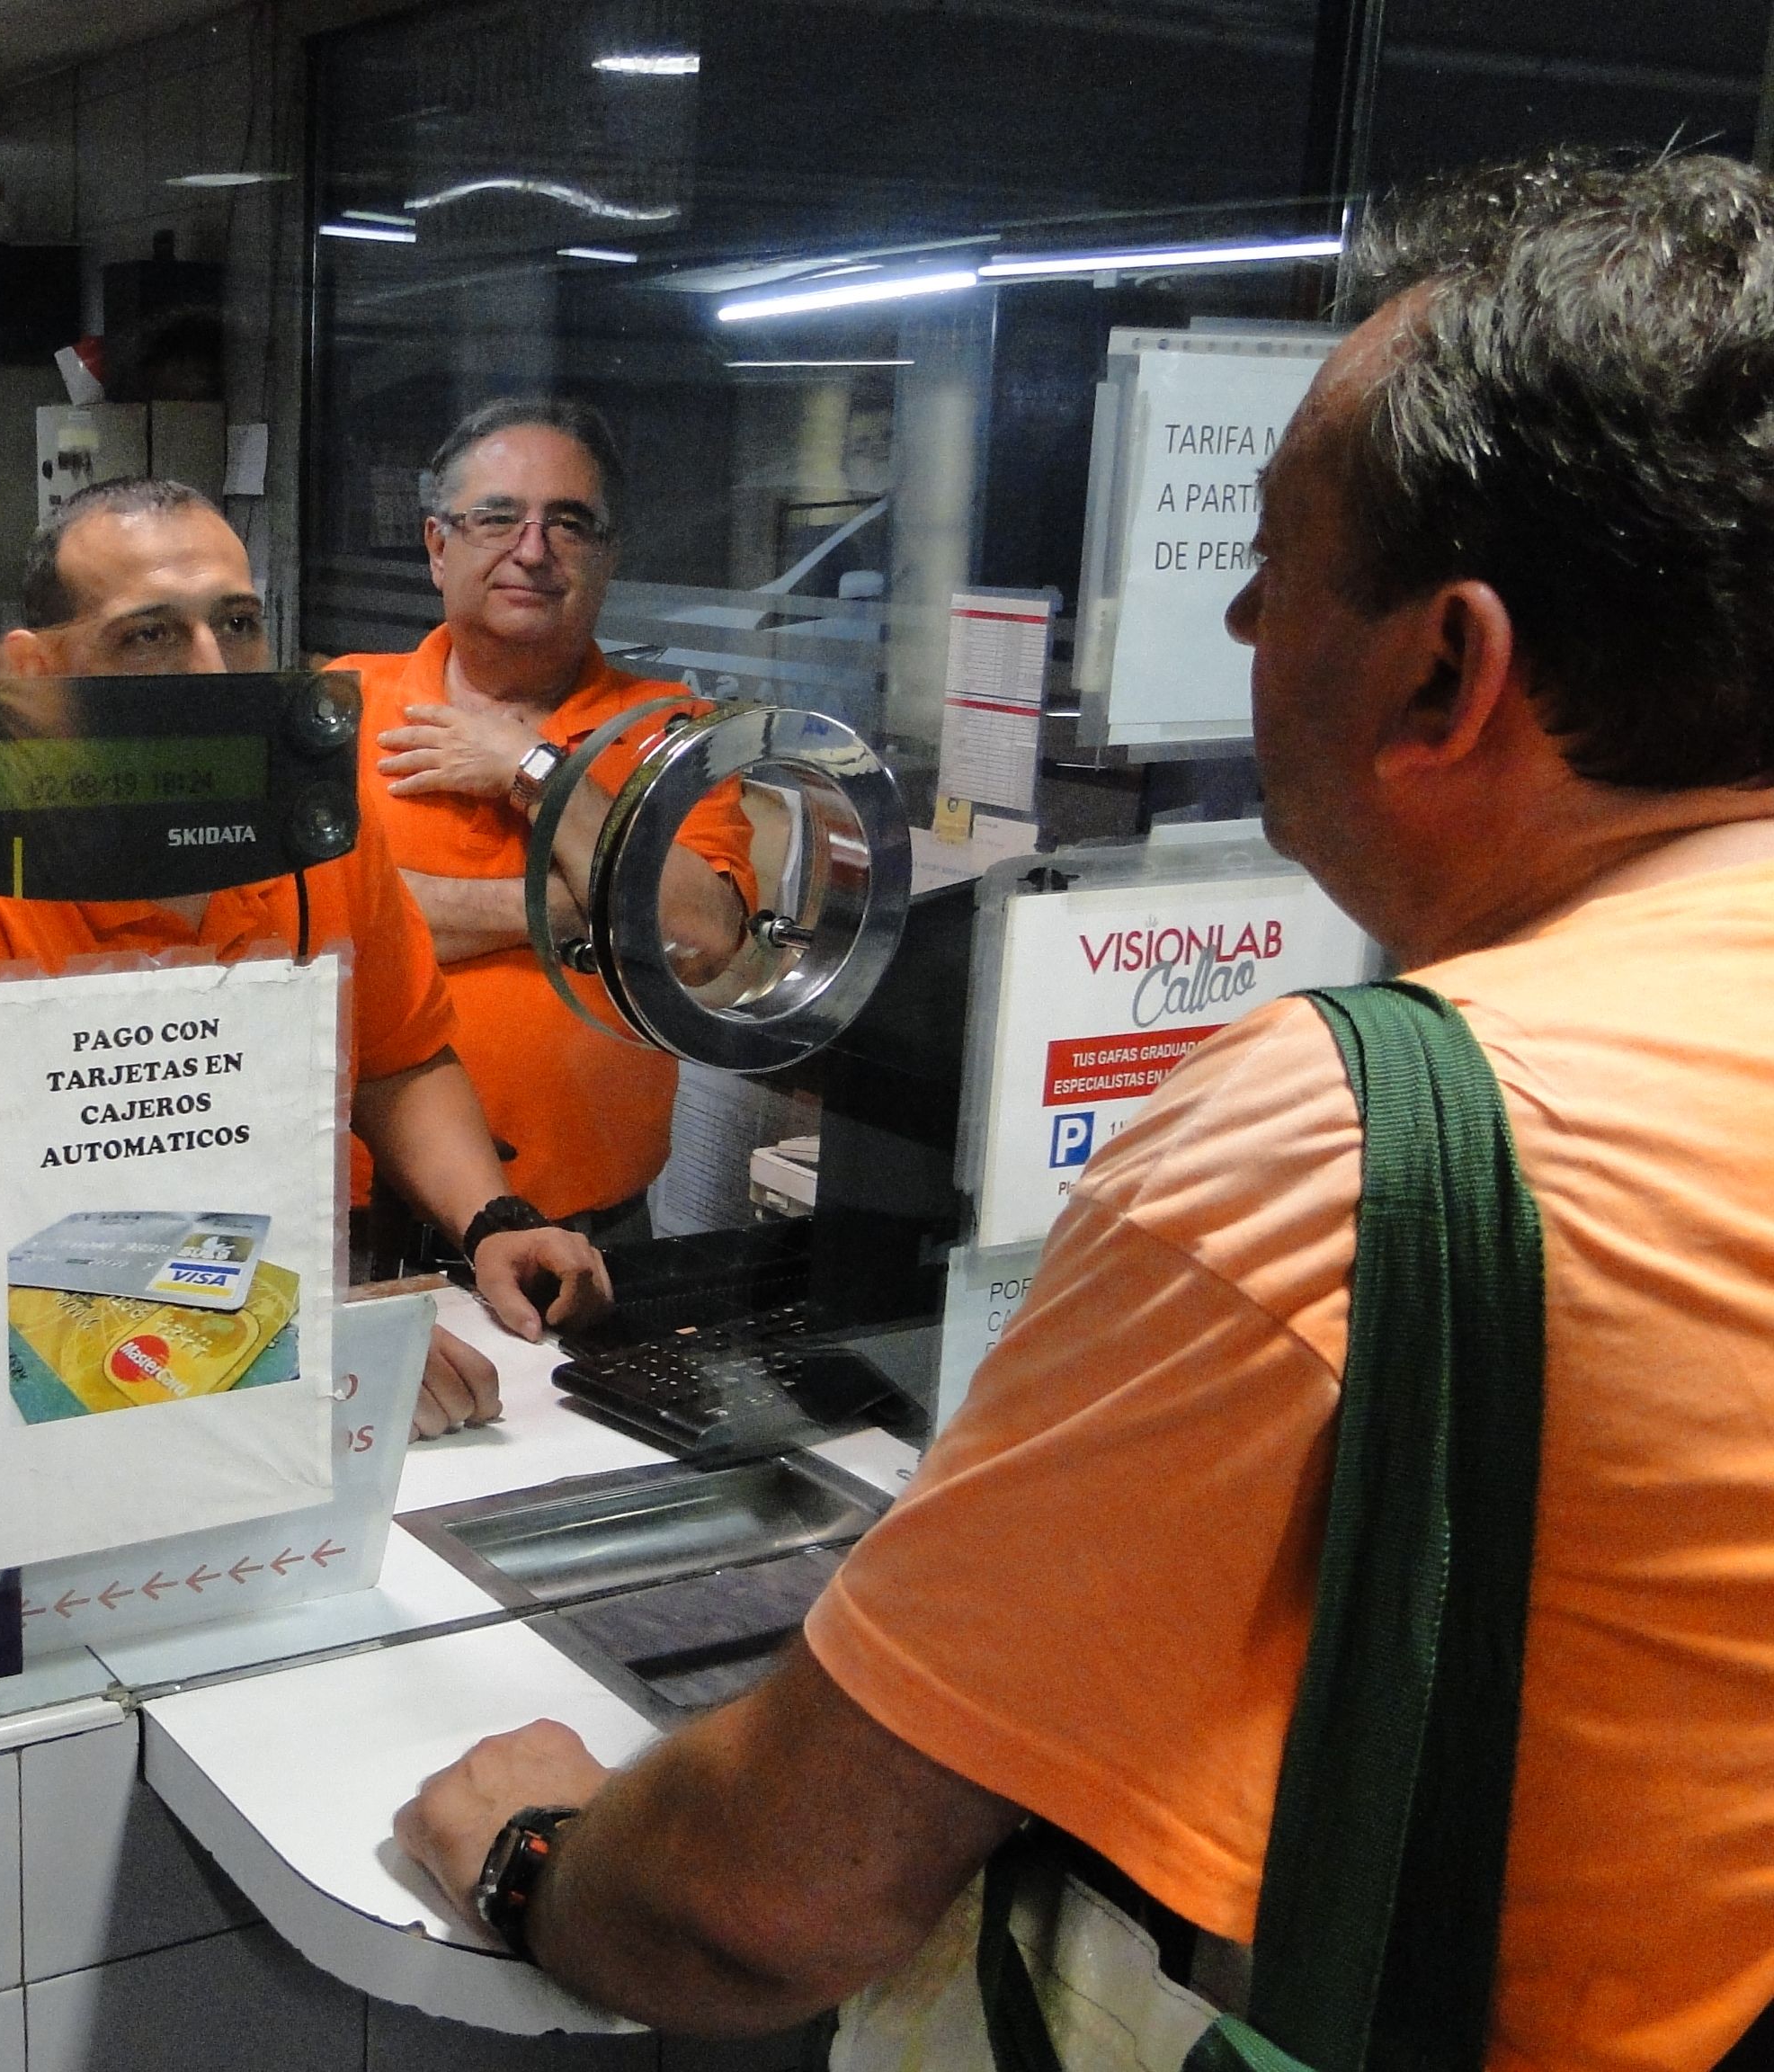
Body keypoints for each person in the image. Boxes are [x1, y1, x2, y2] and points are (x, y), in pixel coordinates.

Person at [393, 151, 1774, 2068]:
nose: (1236, 635)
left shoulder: (1355, 1148)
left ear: (1446, 666)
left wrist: (538, 1853)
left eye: (1274, 572)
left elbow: (764, 1899)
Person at [0, 478, 614, 1438]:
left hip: (306, 1302)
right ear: (33, 674)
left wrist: (492, 1221)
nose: (216, 673)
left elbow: (398, 1056)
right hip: (67, 1394)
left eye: (237, 625)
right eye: (151, 634)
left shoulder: (317, 842)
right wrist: (293, 1349)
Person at [337, 398, 759, 1237]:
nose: (532, 551)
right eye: (497, 518)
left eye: (569, 524)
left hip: (596, 1232)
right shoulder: (341, 706)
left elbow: (703, 938)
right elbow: (313, 932)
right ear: (436, 546)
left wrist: (536, 773)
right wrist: (579, 911)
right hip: (366, 1225)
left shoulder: (673, 733)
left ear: (606, 559)